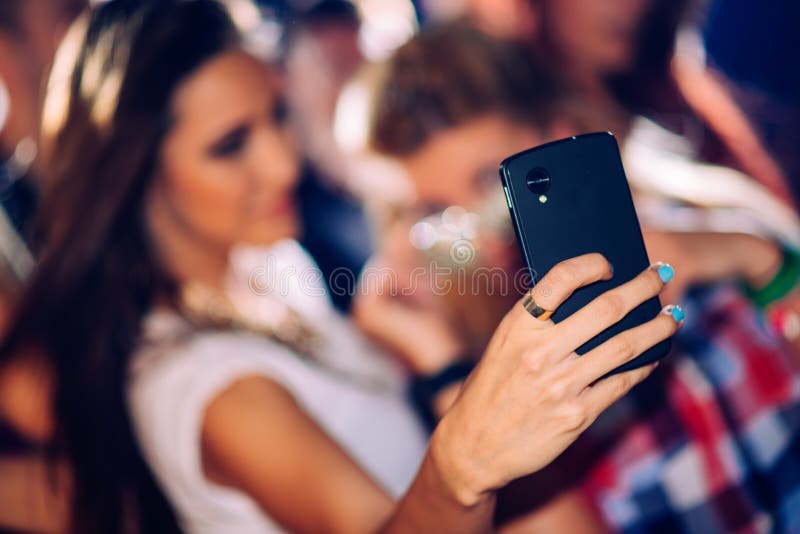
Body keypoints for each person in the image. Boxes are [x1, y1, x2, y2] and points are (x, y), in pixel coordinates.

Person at [0, 2, 681, 533]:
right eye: (231, 145)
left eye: (276, 118)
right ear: (136, 176)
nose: (282, 162)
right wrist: (453, 419)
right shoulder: (207, 387)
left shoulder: (270, 273)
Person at [357, 23, 800, 532]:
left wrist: (754, 258)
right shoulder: (469, 344)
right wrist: (443, 366)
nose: (474, 233)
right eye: (435, 208)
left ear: (556, 132)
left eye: (489, 181)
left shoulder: (710, 209)